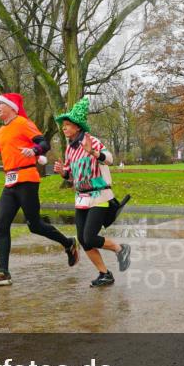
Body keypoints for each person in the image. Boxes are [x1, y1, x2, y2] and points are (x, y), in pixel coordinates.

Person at [0, 93, 79, 286]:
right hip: (10, 182)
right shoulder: (1, 131)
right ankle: (3, 272)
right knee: (2, 224)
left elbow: (43, 143)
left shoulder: (22, 123)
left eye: (0, 104)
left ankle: (68, 243)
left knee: (35, 225)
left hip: (27, 179)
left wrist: (34, 151)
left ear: (12, 107)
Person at [54, 97, 131, 288]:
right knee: (83, 240)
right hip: (81, 197)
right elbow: (71, 175)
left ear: (77, 127)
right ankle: (105, 274)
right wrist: (63, 173)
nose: (64, 128)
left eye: (67, 125)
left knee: (89, 237)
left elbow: (110, 159)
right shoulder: (70, 150)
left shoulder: (92, 141)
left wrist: (94, 153)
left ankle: (120, 248)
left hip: (99, 196)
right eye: (63, 125)